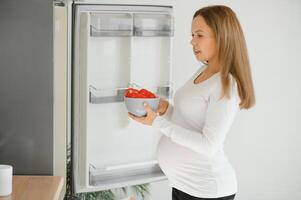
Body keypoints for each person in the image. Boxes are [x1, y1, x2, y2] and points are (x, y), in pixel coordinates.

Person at [128, 5, 255, 200]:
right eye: (192, 35)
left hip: (207, 190)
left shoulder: (226, 83)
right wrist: (165, 110)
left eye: (199, 35)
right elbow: (188, 122)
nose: (192, 41)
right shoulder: (202, 72)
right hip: (183, 185)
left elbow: (208, 145)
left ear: (221, 36)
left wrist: (157, 122)